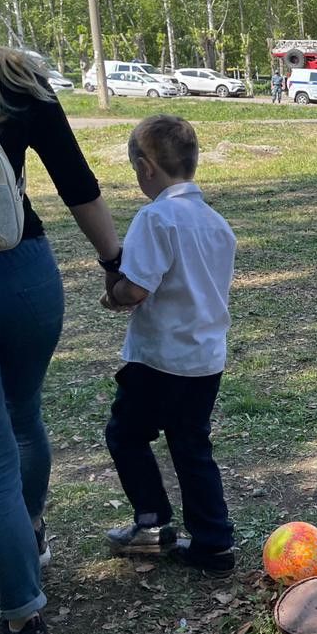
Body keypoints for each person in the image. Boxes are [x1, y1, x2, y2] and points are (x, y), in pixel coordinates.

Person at [0, 0, 122, 634]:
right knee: (24, 421)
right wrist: (115, 263)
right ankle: (33, 531)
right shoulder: (17, 76)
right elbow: (77, 182)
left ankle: (24, 628)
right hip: (26, 274)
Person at [99, 115, 238, 573]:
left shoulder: (156, 218)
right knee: (191, 446)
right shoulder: (217, 224)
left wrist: (112, 293)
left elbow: (136, 288)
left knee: (126, 434)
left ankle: (152, 520)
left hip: (158, 359)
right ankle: (213, 542)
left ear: (145, 168)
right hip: (204, 360)